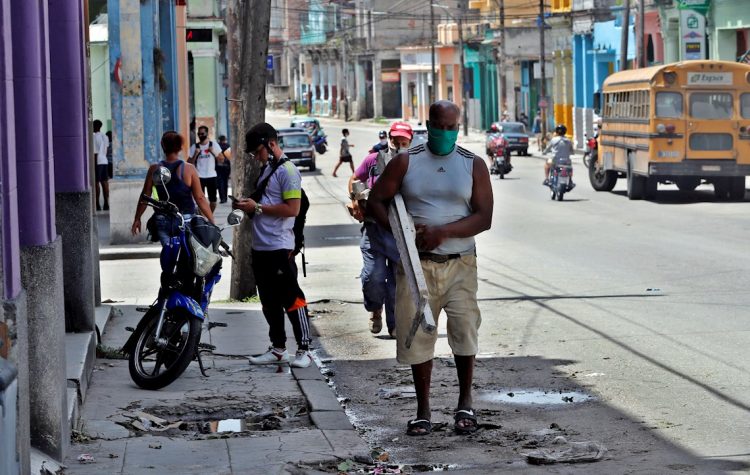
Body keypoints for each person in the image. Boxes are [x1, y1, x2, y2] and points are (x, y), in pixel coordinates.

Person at [368, 100, 493, 436]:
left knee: (465, 331)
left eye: (452, 127)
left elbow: (485, 217)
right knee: (418, 335)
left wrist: (444, 232)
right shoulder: (406, 162)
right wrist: (403, 233)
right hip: (415, 266)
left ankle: (465, 403)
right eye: (440, 126)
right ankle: (423, 410)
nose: (445, 133)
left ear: (459, 128)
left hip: (460, 263)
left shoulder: (473, 165)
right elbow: (375, 202)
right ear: (429, 124)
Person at [233, 122, 313, 369]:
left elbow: (293, 209)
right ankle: (278, 348)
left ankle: (305, 349)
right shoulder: (268, 169)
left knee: (292, 298)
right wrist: (248, 204)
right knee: (268, 301)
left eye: (258, 151)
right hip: (261, 247)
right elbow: (265, 201)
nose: (256, 156)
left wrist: (256, 207)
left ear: (271, 144)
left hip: (280, 247)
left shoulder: (288, 171)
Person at [348, 121, 413, 338]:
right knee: (373, 277)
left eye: (404, 142)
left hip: (400, 232)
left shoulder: (415, 164)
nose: (399, 145)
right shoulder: (373, 160)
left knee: (396, 283)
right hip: (374, 230)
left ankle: (394, 325)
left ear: (410, 142)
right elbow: (355, 179)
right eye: (396, 140)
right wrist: (356, 201)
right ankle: (375, 309)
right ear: (389, 139)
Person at [131, 131, 214, 246]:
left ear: (162, 146)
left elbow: (145, 196)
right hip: (186, 219)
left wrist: (137, 218)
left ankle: (168, 260)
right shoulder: (189, 169)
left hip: (162, 219)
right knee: (189, 251)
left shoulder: (154, 169)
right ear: (180, 147)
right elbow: (200, 198)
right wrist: (212, 220)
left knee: (168, 250)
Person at [188, 125, 224, 213]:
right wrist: (195, 154)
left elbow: (222, 159)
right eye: (199, 134)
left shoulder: (213, 145)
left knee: (213, 201)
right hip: (199, 176)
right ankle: (203, 217)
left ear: (207, 134)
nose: (200, 135)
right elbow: (189, 163)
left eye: (202, 133)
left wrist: (212, 151)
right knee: (200, 199)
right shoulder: (194, 147)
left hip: (212, 176)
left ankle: (209, 215)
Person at [543, 124, 575, 188]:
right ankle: (570, 181)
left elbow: (547, 149)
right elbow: (572, 152)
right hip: (566, 161)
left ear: (557, 132)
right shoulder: (568, 141)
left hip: (555, 161)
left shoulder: (553, 140)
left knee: (546, 164)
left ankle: (547, 179)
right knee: (569, 169)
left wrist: (544, 152)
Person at [93, 119, 110, 211]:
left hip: (97, 162)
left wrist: (94, 165)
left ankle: (97, 204)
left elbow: (95, 153)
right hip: (104, 161)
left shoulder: (94, 137)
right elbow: (105, 150)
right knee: (104, 183)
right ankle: (107, 203)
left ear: (95, 126)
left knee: (96, 183)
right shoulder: (105, 136)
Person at [216, 135, 232, 204]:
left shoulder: (217, 146)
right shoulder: (228, 146)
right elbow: (229, 158)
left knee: (220, 183)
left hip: (218, 167)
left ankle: (222, 198)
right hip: (226, 167)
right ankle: (225, 197)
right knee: (225, 183)